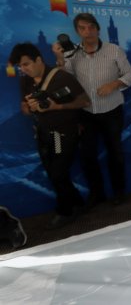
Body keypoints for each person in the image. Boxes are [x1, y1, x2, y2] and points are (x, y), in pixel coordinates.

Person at [53, 13, 131, 206]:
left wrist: (114, 84)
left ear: (98, 28)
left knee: (115, 153)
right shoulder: (71, 54)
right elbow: (66, 78)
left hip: (112, 110)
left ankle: (119, 193)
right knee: (88, 155)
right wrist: (59, 58)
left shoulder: (114, 50)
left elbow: (130, 74)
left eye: (91, 27)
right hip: (86, 113)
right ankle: (97, 194)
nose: (87, 31)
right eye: (82, 28)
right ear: (77, 31)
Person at [9, 43, 91, 229]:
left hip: (61, 133)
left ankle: (66, 211)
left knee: (58, 173)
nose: (24, 69)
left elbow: (85, 101)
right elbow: (25, 109)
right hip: (42, 133)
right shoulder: (25, 81)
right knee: (53, 173)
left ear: (39, 59)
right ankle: (77, 203)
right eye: (21, 66)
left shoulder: (61, 77)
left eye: (27, 64)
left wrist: (57, 106)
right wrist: (29, 107)